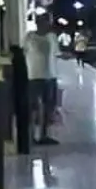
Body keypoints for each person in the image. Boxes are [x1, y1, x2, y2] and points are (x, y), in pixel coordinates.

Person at [24, 15, 60, 146]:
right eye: (41, 22)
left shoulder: (52, 37)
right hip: (34, 76)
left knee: (48, 107)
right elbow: (24, 53)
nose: (44, 24)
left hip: (50, 76)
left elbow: (56, 54)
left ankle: (43, 135)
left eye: (46, 22)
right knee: (33, 107)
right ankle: (31, 135)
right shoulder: (29, 37)